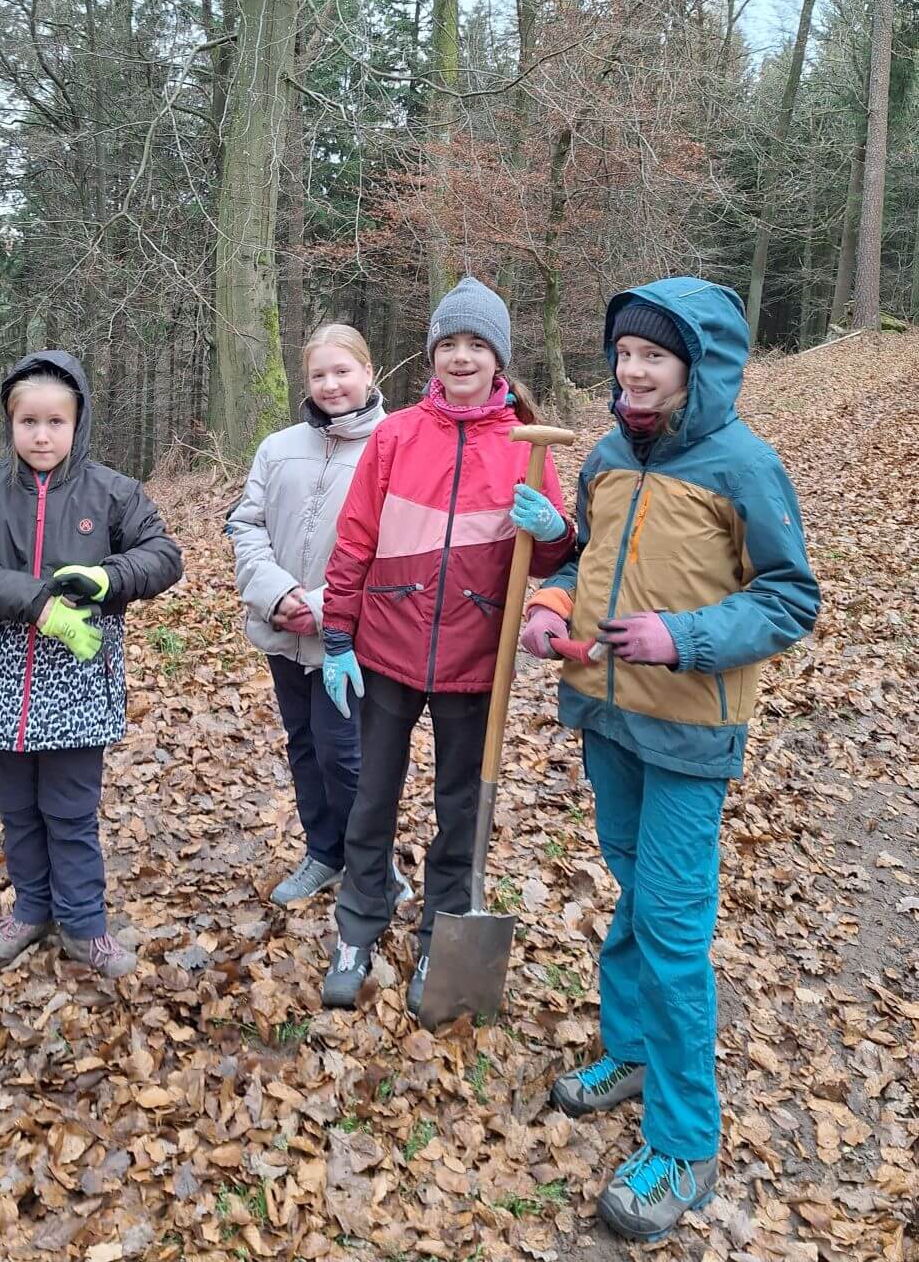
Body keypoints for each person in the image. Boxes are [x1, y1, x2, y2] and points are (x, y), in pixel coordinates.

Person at [519, 279, 819, 1241]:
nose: (633, 372)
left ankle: (686, 1144)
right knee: (632, 892)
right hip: (606, 716)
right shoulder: (606, 458)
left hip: (691, 733)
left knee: (675, 929)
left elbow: (789, 599)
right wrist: (550, 608)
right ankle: (633, 1049)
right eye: (623, 355)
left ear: (699, 366)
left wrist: (684, 637)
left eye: (654, 357)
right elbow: (579, 563)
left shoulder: (745, 465)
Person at [318, 277, 576, 1017]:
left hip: (475, 659)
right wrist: (338, 632)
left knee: (462, 807)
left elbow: (553, 560)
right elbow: (356, 538)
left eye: (477, 344)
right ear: (432, 353)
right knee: (371, 800)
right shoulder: (396, 435)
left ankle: (442, 930)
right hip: (386, 649)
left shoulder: (525, 446)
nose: (462, 358)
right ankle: (357, 929)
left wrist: (554, 531)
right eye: (449, 344)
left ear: (498, 357)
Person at [0, 351, 182, 979]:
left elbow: (164, 556)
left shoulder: (113, 492)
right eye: (28, 423)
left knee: (69, 810)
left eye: (55, 422)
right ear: (10, 425)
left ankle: (85, 925)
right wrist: (39, 603)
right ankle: (31, 909)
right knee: (17, 807)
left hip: (77, 676)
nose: (41, 436)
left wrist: (108, 577)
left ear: (78, 423)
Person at [229, 325, 415, 909]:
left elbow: (399, 544)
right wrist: (277, 594)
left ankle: (372, 864)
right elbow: (246, 525)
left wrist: (322, 607)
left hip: (353, 639)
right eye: (318, 374)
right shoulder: (277, 447)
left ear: (369, 373)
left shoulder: (397, 444)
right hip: (283, 630)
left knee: (347, 754)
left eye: (343, 371)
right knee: (304, 744)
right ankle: (323, 852)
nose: (331, 384)